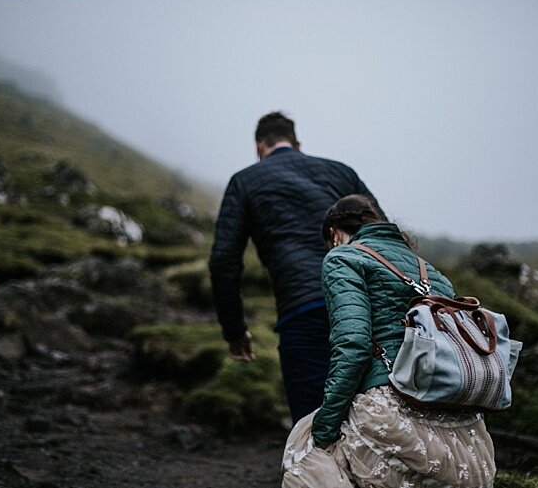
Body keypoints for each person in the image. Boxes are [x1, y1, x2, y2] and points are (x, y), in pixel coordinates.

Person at [282, 194, 495, 487]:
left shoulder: (343, 257)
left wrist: (325, 427)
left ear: (334, 233)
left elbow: (354, 345)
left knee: (306, 453)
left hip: (392, 407)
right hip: (463, 431)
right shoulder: (433, 272)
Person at [209, 111, 381, 423]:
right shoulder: (342, 173)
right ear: (297, 144)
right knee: (376, 416)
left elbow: (224, 260)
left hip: (304, 311)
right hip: (367, 306)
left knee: (314, 422)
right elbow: (383, 236)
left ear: (259, 146)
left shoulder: (245, 181)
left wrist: (234, 330)